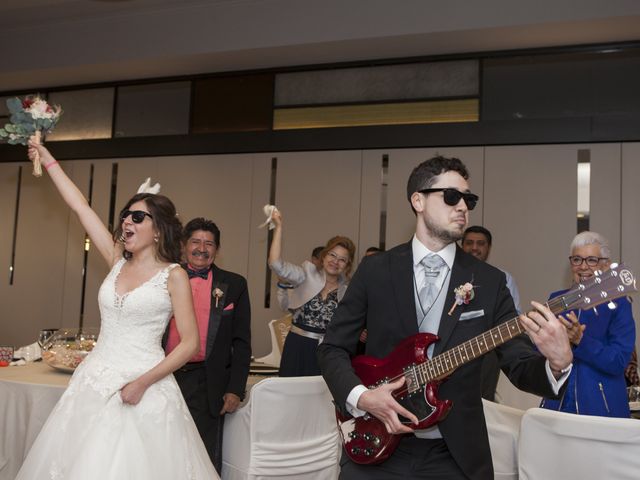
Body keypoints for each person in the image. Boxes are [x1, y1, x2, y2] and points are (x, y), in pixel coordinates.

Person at [317, 155, 573, 480]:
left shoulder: (490, 282)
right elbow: (332, 348)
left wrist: (558, 364)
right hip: (376, 442)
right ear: (418, 200)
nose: (463, 206)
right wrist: (363, 397)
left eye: (468, 198)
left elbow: (519, 365)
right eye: (451, 196)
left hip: (454, 454)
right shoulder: (376, 270)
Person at [17, 143, 219, 479]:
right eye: (126, 215)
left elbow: (189, 343)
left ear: (158, 230)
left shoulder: (174, 275)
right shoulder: (115, 260)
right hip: (94, 381)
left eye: (138, 217)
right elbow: (80, 207)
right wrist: (48, 158)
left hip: (147, 386)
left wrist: (142, 383)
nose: (127, 220)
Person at [164, 217, 251, 473]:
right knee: (162, 446)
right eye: (196, 241)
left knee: (202, 455)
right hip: (164, 376)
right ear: (183, 245)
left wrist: (236, 389)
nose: (202, 248)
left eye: (209, 243)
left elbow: (242, 342)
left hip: (207, 380)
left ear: (217, 249)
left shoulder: (234, 285)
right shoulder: (164, 277)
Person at [540, 231, 636, 417]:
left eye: (591, 260)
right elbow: (539, 353)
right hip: (556, 406)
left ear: (606, 265)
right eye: (577, 259)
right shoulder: (556, 299)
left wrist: (581, 340)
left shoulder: (620, 303)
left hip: (601, 408)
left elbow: (619, 361)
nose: (583, 267)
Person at [268, 210, 355, 377]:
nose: (335, 262)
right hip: (297, 345)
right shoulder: (306, 274)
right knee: (291, 395)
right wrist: (278, 227)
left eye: (342, 259)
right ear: (324, 256)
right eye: (332, 255)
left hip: (326, 351)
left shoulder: (348, 290)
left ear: (347, 265)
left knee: (318, 400)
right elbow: (275, 264)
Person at [461, 225, 522, 401]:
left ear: (488, 248)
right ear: (461, 245)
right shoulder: (450, 275)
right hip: (451, 350)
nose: (474, 248)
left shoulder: (502, 278)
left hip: (487, 351)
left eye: (480, 243)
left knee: (483, 402)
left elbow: (513, 318)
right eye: (469, 243)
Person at [275, 245, 325, 311]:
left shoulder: (326, 277)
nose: (324, 263)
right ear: (314, 259)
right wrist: (282, 286)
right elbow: (284, 306)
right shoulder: (299, 275)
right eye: (322, 260)